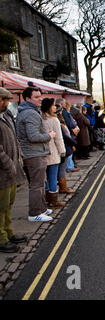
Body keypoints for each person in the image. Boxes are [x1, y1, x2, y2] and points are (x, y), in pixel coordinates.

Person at [16, 87, 54, 222]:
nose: (40, 99)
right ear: (27, 99)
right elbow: (33, 136)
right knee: (36, 185)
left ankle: (42, 208)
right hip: (34, 154)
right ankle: (35, 213)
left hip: (34, 153)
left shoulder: (29, 112)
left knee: (40, 183)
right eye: (36, 97)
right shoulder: (30, 113)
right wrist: (49, 136)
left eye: (40, 96)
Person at [0, 88, 28, 253]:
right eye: (4, 100)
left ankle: (9, 232)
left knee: (9, 205)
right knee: (1, 207)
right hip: (3, 171)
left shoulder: (5, 116)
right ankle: (2, 238)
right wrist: (9, 164)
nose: (7, 103)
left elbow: (14, 139)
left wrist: (19, 158)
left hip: (10, 171)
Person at [41, 98, 66, 208]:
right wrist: (62, 151)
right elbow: (59, 138)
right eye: (53, 105)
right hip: (53, 151)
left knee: (45, 177)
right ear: (49, 107)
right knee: (52, 176)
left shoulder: (40, 118)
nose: (55, 107)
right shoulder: (54, 120)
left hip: (42, 151)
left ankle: (46, 198)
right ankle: (54, 200)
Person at [55, 104, 75, 194]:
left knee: (61, 168)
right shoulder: (57, 121)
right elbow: (63, 136)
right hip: (64, 146)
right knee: (62, 168)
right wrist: (73, 142)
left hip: (64, 146)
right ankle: (63, 188)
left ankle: (62, 187)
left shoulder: (58, 120)